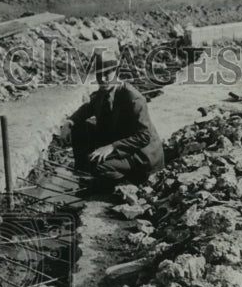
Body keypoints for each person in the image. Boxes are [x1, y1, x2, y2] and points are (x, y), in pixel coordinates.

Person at [60, 51, 165, 188]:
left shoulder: (133, 98)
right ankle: (84, 173)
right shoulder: (103, 92)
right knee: (79, 128)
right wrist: (69, 123)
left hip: (141, 155)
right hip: (121, 141)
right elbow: (87, 108)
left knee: (98, 165)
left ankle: (125, 182)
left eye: (107, 74)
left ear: (116, 72)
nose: (103, 79)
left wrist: (111, 147)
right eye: (99, 75)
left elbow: (143, 136)